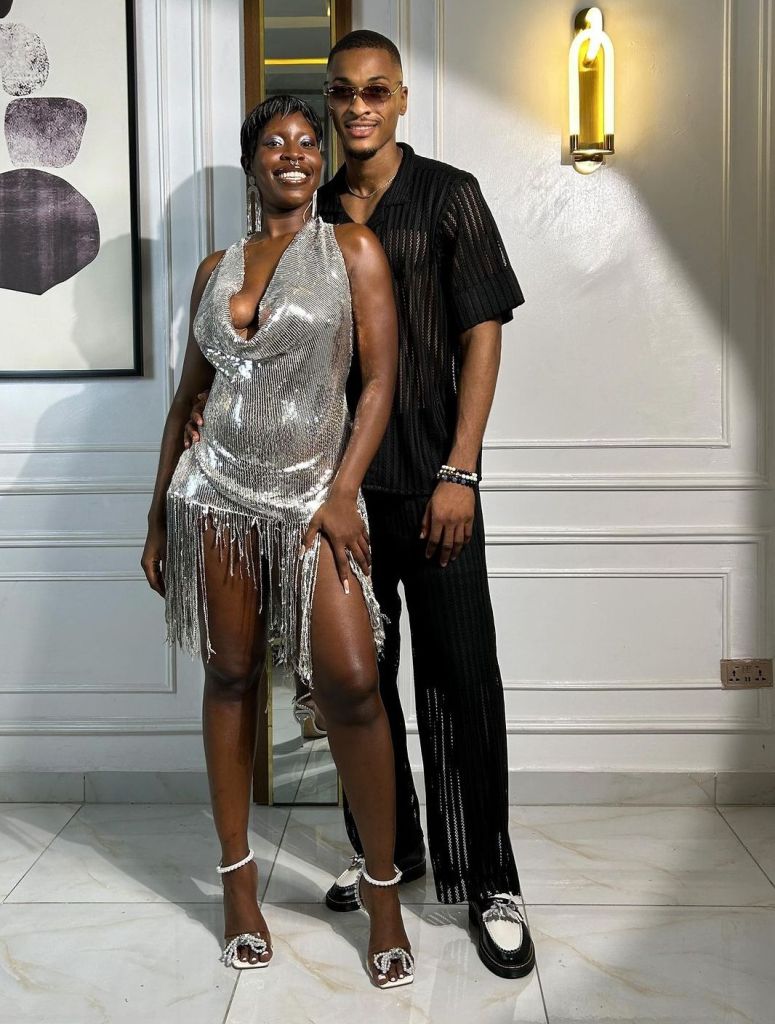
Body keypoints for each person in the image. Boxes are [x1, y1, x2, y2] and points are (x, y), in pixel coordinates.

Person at [185, 31, 535, 980]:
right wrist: (218, 416)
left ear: (401, 99)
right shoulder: (318, 205)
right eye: (342, 93)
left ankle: (490, 880)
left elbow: (482, 333)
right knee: (356, 685)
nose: (357, 108)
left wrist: (462, 470)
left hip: (430, 483)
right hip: (331, 492)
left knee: (462, 677)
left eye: (375, 91)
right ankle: (394, 852)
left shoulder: (448, 194)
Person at [142, 94, 415, 990]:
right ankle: (237, 886)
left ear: (319, 160)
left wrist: (343, 492)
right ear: (251, 161)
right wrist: (156, 516)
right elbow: (187, 398)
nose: (294, 153)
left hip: (311, 500)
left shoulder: (351, 250)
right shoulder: (214, 269)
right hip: (213, 495)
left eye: (307, 142)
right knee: (229, 677)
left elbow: (378, 383)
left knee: (353, 685)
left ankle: (381, 895)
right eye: (275, 142)